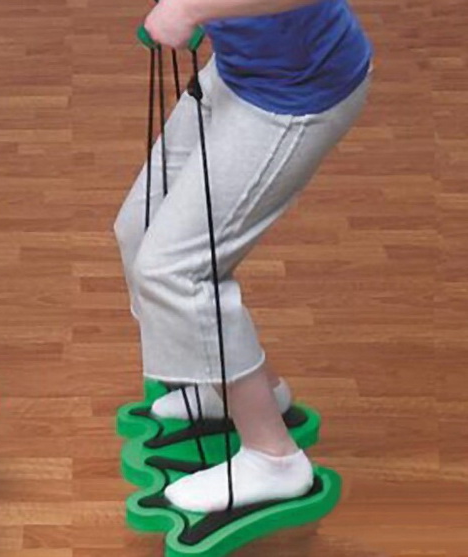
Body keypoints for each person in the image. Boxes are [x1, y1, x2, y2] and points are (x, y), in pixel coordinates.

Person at [114, 0, 372, 512]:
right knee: (138, 230)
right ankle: (252, 390)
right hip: (239, 72)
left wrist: (191, 9)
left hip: (294, 93)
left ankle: (274, 458)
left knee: (173, 271)